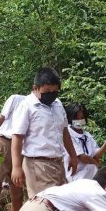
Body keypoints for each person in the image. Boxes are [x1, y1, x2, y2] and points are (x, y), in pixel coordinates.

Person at [11, 66, 79, 200]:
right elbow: (17, 137)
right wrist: (16, 167)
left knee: (61, 204)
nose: (52, 94)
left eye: (55, 91)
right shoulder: (27, 106)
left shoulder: (57, 104)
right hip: (38, 165)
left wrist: (73, 155)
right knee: (44, 205)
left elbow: (64, 131)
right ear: (36, 88)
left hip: (58, 163)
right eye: (47, 91)